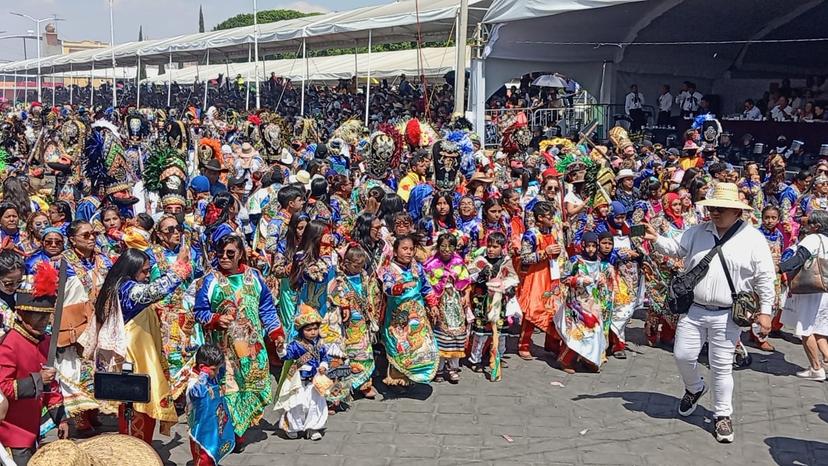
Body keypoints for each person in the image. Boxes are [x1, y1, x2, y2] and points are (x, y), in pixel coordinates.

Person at [642, 182, 774, 443]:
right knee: (682, 355)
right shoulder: (698, 231)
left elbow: (765, 277)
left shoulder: (753, 239)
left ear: (737, 212)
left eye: (721, 209)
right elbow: (677, 248)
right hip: (694, 309)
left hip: (728, 314)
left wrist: (766, 312)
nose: (714, 212)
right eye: (712, 207)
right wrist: (656, 239)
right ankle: (695, 387)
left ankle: (722, 415)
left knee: (722, 366)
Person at [92, 248, 192, 443]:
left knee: (137, 401)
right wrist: (179, 267)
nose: (147, 276)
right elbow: (155, 291)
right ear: (131, 269)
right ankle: (136, 451)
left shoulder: (116, 285)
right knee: (138, 402)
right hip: (134, 354)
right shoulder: (127, 289)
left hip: (136, 351)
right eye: (144, 271)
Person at [193, 235, 285, 445]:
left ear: (240, 254)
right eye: (220, 253)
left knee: (253, 387)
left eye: (230, 253)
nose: (224, 257)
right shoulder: (210, 280)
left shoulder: (255, 277)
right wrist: (215, 319)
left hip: (252, 349)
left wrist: (276, 334)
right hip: (224, 350)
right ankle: (234, 434)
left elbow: (267, 309)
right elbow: (199, 312)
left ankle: (239, 427)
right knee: (230, 390)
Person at [0, 263, 68, 465]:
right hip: (11, 433)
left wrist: (60, 417)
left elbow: (51, 383)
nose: (43, 321)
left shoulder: (45, 341)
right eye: (37, 316)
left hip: (33, 428)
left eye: (46, 316)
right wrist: (38, 379)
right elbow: (3, 387)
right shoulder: (8, 345)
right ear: (22, 314)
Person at [378, 235, 439, 386]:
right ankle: (397, 378)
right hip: (397, 315)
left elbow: (426, 287)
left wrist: (433, 305)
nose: (409, 252)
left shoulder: (417, 267)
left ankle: (417, 375)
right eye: (404, 249)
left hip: (417, 314)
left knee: (419, 345)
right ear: (396, 251)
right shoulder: (389, 269)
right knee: (399, 345)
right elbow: (387, 289)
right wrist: (401, 287)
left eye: (411, 249)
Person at [779, 209, 828, 381]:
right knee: (820, 329)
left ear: (817, 226)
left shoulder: (813, 238)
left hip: (811, 290)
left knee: (806, 329)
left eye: (810, 222)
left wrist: (779, 268)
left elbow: (798, 259)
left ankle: (816, 368)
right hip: (825, 291)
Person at [467, 232, 519, 381]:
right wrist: (480, 276)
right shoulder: (480, 260)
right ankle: (475, 359)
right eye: (489, 246)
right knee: (480, 333)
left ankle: (498, 356)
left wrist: (509, 288)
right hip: (482, 300)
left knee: (501, 333)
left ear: (502, 248)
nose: (490, 249)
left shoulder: (506, 261)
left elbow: (512, 278)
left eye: (495, 247)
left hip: (499, 301)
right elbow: (469, 276)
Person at [274, 304, 330, 441]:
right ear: (301, 330)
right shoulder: (296, 345)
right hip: (298, 381)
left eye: (315, 329)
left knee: (315, 405)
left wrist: (323, 366)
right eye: (309, 329)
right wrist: (281, 349)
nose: (313, 332)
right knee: (297, 405)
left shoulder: (320, 344)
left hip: (314, 381)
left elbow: (325, 357)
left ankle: (312, 428)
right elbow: (286, 355)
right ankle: (292, 427)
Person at [423, 233, 471, 384]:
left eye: (450, 246)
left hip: (455, 304)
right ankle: (438, 368)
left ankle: (453, 369)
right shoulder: (431, 264)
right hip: (439, 304)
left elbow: (466, 282)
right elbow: (427, 286)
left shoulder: (458, 262)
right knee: (440, 335)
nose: (446, 249)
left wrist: (466, 295)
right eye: (443, 246)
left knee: (456, 335)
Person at [187, 343, 236, 466]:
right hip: (201, 428)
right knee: (204, 457)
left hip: (214, 424)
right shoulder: (195, 381)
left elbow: (221, 372)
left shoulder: (212, 375)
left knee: (214, 450)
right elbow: (197, 393)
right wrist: (203, 375)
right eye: (215, 369)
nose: (217, 373)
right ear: (203, 367)